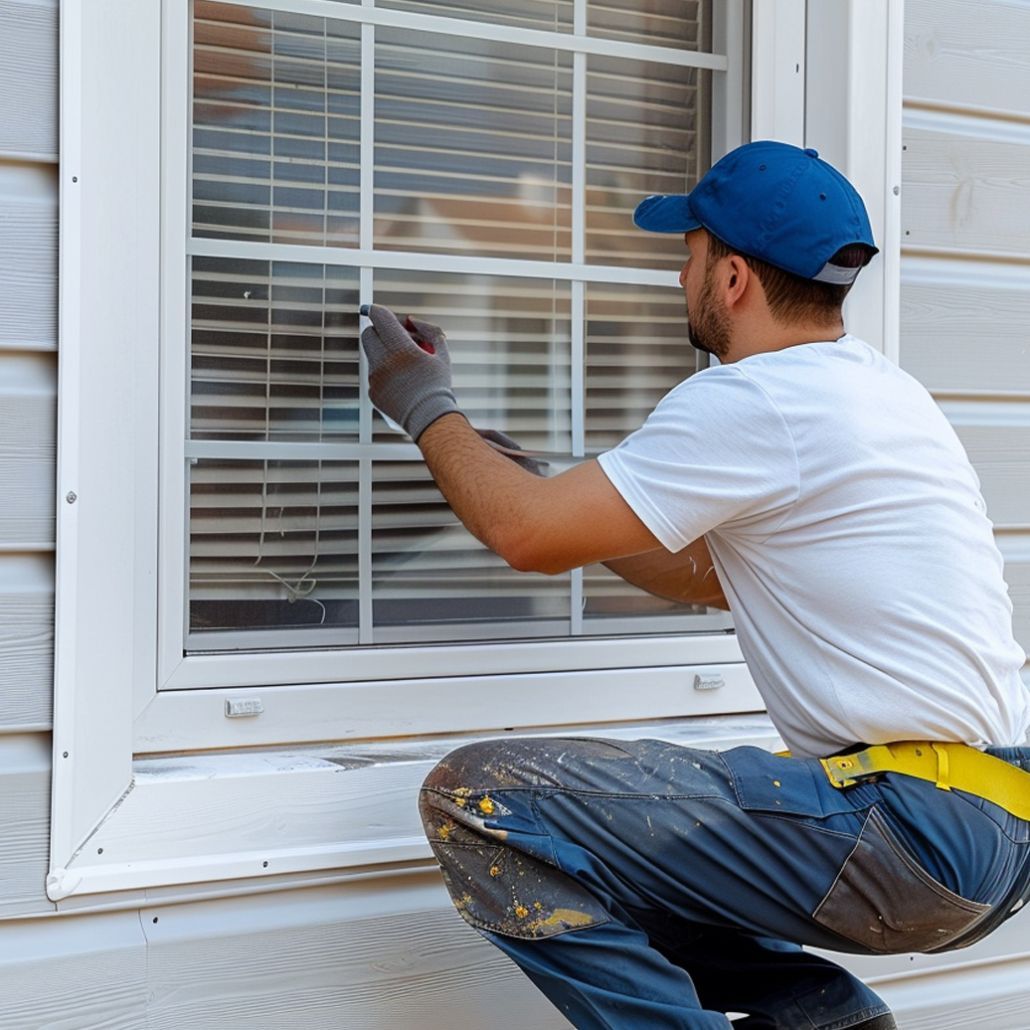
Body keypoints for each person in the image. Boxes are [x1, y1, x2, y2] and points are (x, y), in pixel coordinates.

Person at [359, 140, 1030, 1030]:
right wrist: (540, 483)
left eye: (691, 253)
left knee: (482, 802)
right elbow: (703, 573)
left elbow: (524, 538)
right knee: (610, 834)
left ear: (734, 279)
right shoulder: (876, 393)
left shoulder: (757, 397)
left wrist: (423, 405)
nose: (681, 274)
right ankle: (819, 1018)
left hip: (905, 825)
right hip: (990, 830)